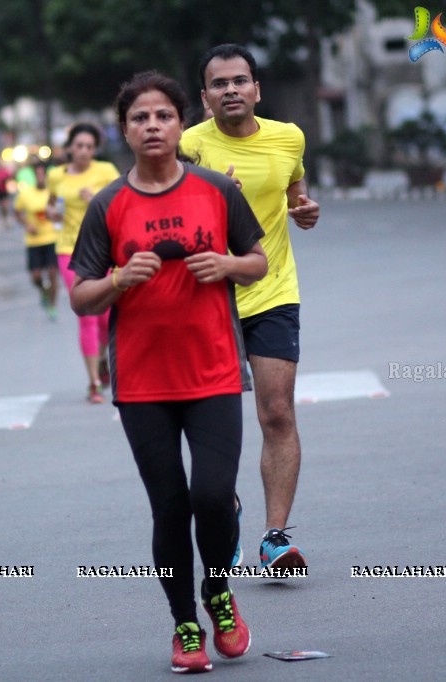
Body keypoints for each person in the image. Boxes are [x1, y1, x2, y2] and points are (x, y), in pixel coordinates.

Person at [70, 71, 267, 674]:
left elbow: (258, 261)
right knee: (168, 506)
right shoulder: (108, 205)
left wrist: (227, 264)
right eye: (139, 118)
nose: (152, 126)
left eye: (163, 116)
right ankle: (185, 621)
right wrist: (117, 280)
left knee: (212, 495)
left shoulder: (215, 190)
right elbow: (80, 297)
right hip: (143, 381)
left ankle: (219, 595)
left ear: (183, 124)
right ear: (124, 130)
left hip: (212, 371)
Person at [181, 44, 321, 572]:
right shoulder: (190, 146)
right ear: (205, 97)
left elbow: (293, 190)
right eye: (220, 84)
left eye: (241, 81)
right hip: (209, 296)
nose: (232, 90)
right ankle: (226, 506)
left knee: (277, 411)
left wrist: (302, 209)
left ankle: (276, 536)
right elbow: (168, 210)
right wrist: (215, 200)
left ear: (257, 89)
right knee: (214, 423)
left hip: (274, 291)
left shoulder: (289, 136)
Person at [47, 123, 120, 403]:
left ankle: (102, 360)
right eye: (79, 146)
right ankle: (92, 382)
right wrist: (52, 212)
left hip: (104, 249)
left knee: (104, 317)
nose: (84, 151)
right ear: (69, 148)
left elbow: (123, 203)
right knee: (87, 316)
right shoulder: (56, 176)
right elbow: (52, 205)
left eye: (89, 147)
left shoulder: (106, 172)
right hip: (69, 249)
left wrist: (98, 200)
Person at [13, 162, 59, 320]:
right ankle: (43, 291)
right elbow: (17, 213)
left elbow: (62, 212)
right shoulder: (25, 194)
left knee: (53, 273)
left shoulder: (53, 193)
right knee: (36, 276)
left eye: (42, 174)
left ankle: (52, 306)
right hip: (33, 241)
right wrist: (27, 225)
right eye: (37, 174)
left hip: (51, 238)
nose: (40, 177)